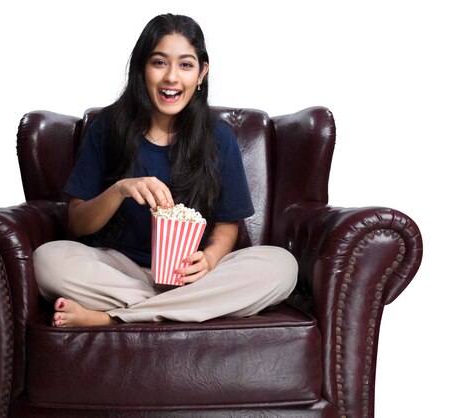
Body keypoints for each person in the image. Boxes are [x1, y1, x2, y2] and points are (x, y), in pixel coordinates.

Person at [33, 13, 297, 327]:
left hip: (193, 275)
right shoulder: (107, 128)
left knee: (281, 266)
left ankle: (114, 318)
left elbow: (227, 226)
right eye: (159, 62)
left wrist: (210, 260)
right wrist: (121, 189)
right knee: (48, 260)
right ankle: (183, 309)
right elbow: (77, 223)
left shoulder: (219, 136)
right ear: (142, 69)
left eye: (185, 65)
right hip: (120, 271)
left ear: (201, 73)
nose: (172, 77)